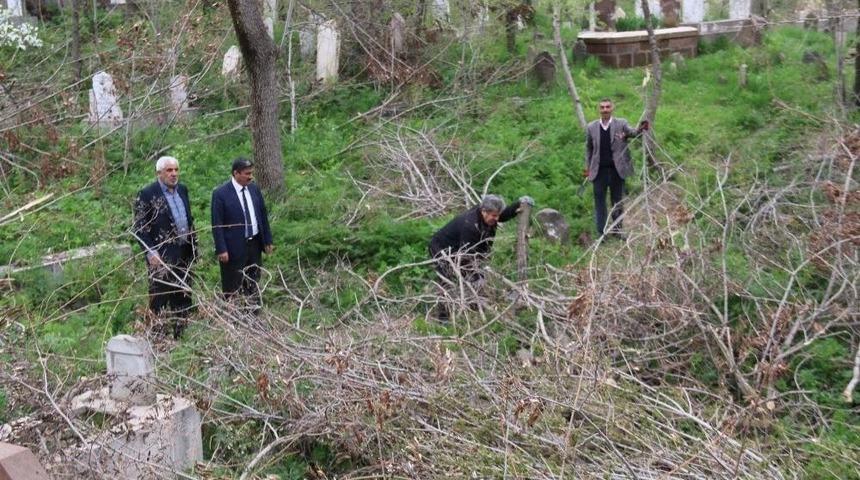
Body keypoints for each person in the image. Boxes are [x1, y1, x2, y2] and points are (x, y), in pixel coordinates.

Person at [428, 194, 534, 320]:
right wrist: (476, 276)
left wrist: (518, 204)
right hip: (441, 247)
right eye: (494, 216)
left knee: (475, 277)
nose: (497, 218)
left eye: (497, 215)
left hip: (462, 247)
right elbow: (466, 256)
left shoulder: (489, 214)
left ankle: (474, 307)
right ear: (484, 211)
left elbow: (502, 215)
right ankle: (443, 318)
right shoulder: (471, 225)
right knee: (447, 280)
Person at [133, 155, 197, 338]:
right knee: (160, 298)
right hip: (161, 257)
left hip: (184, 253)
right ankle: (158, 337)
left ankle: (181, 334)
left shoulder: (182, 190)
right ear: (159, 173)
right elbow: (139, 227)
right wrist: (151, 252)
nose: (174, 174)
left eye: (176, 169)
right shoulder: (147, 194)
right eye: (169, 170)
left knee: (183, 294)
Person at [211, 157, 274, 305]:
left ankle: (253, 316)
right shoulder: (221, 194)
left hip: (254, 245)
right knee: (232, 284)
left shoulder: (254, 189)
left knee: (253, 281)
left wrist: (267, 240)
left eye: (251, 173)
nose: (250, 176)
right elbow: (216, 223)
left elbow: (262, 215)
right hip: (232, 248)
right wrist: (221, 249)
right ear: (236, 173)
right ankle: (233, 318)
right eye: (247, 173)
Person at [584, 98, 649, 239]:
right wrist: (587, 168)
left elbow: (633, 133)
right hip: (599, 172)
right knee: (600, 203)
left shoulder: (621, 123)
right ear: (599, 109)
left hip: (617, 171)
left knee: (617, 202)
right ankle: (601, 233)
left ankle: (618, 231)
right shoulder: (591, 127)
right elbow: (588, 149)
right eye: (602, 107)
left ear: (612, 108)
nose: (605, 109)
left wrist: (641, 128)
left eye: (608, 107)